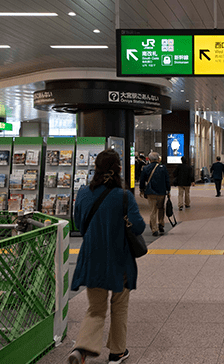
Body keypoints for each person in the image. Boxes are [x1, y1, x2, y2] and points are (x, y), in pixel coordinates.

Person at [68, 149, 146, 364]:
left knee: (96, 307)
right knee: (119, 306)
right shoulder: (123, 196)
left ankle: (82, 348)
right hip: (119, 259)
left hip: (92, 257)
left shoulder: (83, 193)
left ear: (96, 169)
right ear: (119, 169)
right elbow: (138, 226)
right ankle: (117, 353)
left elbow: (79, 223)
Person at [139, 152, 170, 237]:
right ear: (158, 159)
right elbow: (167, 180)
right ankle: (161, 224)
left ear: (149, 159)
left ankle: (154, 229)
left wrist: (141, 189)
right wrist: (168, 190)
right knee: (161, 208)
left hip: (150, 192)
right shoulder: (163, 168)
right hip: (161, 192)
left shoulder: (146, 168)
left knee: (153, 211)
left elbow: (142, 181)